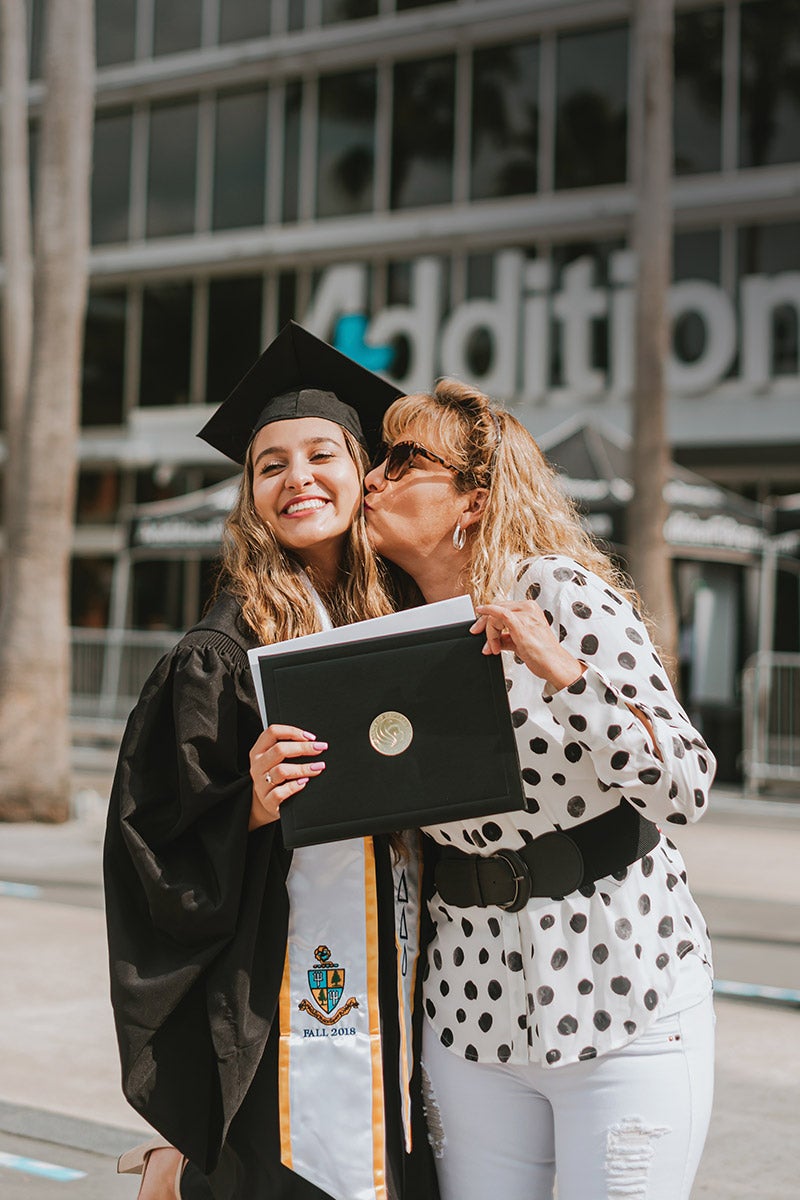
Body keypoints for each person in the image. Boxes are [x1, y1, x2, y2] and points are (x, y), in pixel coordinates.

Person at [104, 323, 437, 1200]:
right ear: (250, 495)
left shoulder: (401, 622)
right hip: (279, 1019)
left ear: (362, 472)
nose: (298, 480)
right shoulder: (221, 652)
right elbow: (150, 847)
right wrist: (246, 802)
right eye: (270, 465)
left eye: (321, 454)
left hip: (409, 1013)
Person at [362, 380, 716, 1200]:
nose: (373, 478)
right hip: (471, 1012)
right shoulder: (382, 634)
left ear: (473, 499)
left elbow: (686, 783)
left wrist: (559, 668)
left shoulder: (555, 591)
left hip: (626, 985)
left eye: (401, 459)